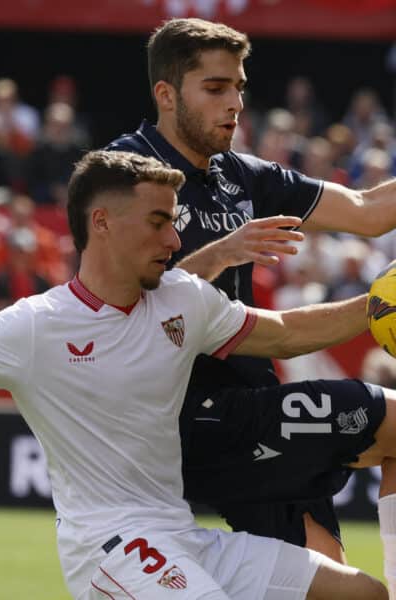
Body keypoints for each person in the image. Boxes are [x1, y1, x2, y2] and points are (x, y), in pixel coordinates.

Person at [0, 150, 388, 599]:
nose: (174, 240)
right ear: (101, 222)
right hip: (113, 547)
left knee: (362, 594)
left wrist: (379, 306)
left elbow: (288, 331)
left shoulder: (182, 300)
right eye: (158, 222)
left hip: (181, 535)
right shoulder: (35, 325)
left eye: (173, 222)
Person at [106, 17, 396, 570]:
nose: (234, 102)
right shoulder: (124, 175)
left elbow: (369, 212)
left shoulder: (244, 176)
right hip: (174, 413)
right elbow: (126, 312)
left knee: (330, 581)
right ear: (166, 94)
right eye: (215, 89)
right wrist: (219, 253)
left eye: (238, 86)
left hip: (249, 403)